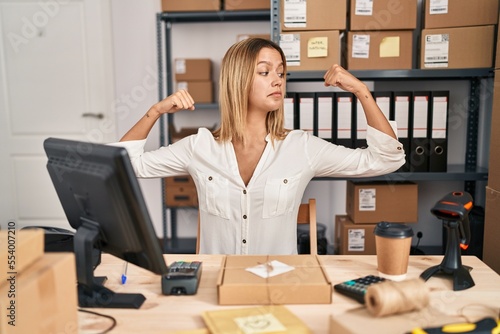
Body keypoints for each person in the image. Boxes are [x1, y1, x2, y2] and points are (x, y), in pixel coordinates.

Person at [113, 37, 405, 255]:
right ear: (238, 79)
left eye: (281, 73)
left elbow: (385, 160)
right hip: (216, 284)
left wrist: (362, 91)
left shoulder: (300, 147)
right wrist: (155, 111)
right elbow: (125, 164)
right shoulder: (199, 147)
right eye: (265, 72)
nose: (277, 81)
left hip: (277, 284)